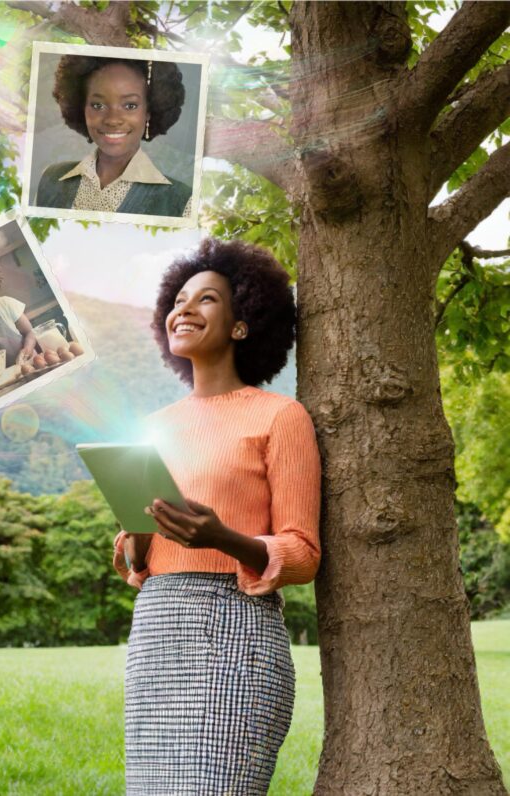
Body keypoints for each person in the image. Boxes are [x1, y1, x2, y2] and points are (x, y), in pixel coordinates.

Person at [114, 238, 321, 795]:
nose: (184, 309)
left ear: (241, 323)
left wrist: (224, 538)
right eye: (179, 299)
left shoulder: (281, 417)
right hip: (156, 632)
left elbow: (301, 554)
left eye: (206, 300)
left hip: (234, 633)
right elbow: (140, 559)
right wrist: (136, 532)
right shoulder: (154, 425)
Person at [36, 56, 192, 216]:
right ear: (82, 109)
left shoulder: (181, 202)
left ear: (148, 113)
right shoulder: (51, 179)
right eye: (98, 105)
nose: (112, 119)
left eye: (130, 105)